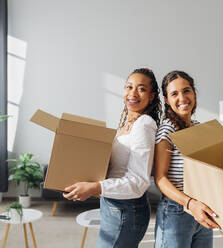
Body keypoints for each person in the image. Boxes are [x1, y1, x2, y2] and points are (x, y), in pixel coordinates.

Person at [63, 68, 162, 248]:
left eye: (141, 89)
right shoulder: (126, 123)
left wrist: (95, 186)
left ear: (152, 95)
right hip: (113, 206)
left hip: (126, 210)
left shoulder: (144, 124)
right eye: (129, 87)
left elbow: (139, 181)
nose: (133, 93)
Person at [154, 70, 220, 248]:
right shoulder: (167, 129)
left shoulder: (198, 128)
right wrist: (190, 204)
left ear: (194, 93)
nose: (182, 98)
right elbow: (159, 178)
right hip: (176, 211)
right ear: (167, 100)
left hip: (201, 209)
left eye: (186, 90)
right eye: (174, 94)